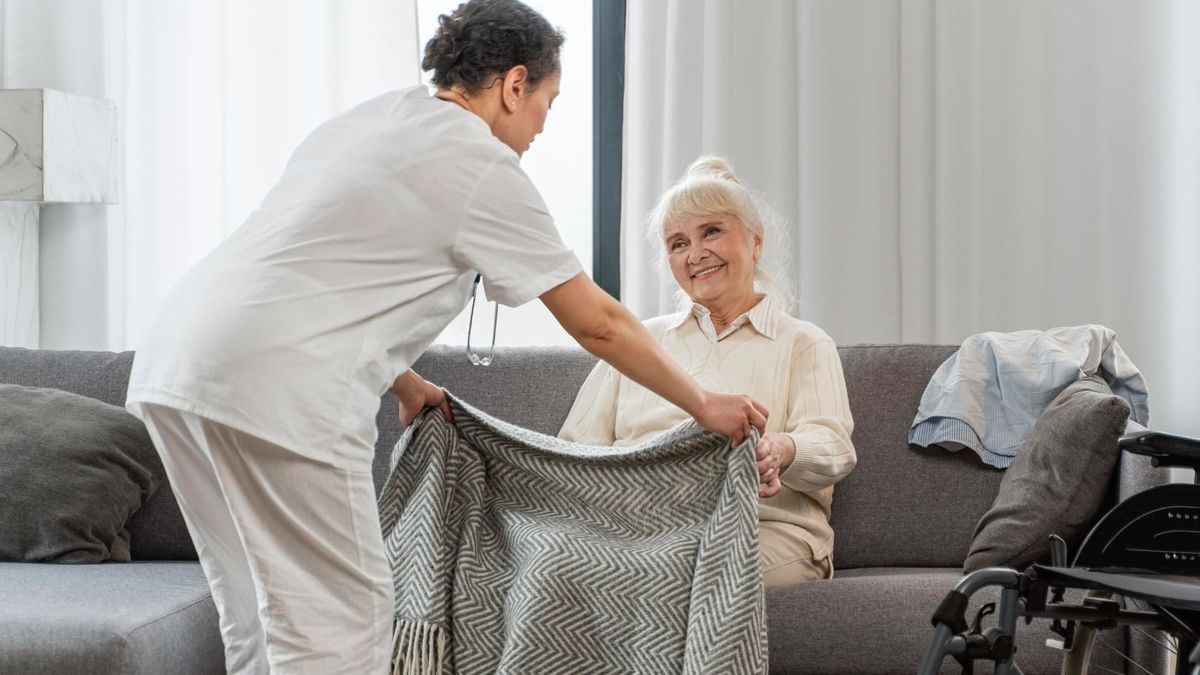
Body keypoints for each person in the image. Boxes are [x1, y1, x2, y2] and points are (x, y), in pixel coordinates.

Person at [123, 3, 768, 673]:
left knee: (256, 612)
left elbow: (322, 266)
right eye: (547, 102)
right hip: (280, 386)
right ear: (514, 85)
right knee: (342, 625)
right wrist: (705, 404)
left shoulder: (373, 119)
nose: (542, 127)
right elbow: (596, 320)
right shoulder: (479, 162)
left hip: (178, 361)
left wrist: (404, 380)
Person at [559, 156, 857, 588]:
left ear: (755, 241)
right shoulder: (638, 342)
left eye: (712, 231)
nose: (696, 254)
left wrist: (781, 449)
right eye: (678, 244)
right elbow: (576, 450)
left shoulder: (803, 343)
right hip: (643, 531)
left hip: (763, 530)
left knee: (675, 571)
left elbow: (834, 447)